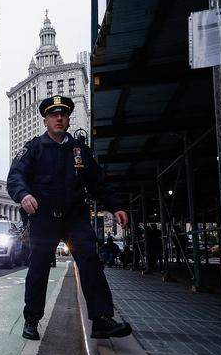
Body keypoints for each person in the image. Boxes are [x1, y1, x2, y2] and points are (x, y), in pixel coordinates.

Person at [7, 95, 132, 341]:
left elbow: (99, 182)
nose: (59, 118)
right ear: (45, 121)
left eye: (63, 114)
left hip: (75, 217)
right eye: (54, 115)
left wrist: (116, 206)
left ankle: (101, 320)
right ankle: (32, 320)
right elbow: (16, 177)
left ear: (67, 119)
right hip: (44, 218)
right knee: (39, 269)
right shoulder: (33, 148)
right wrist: (24, 195)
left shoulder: (79, 151)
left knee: (90, 262)